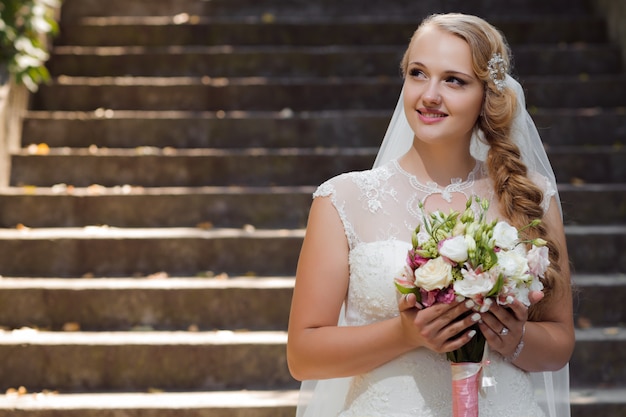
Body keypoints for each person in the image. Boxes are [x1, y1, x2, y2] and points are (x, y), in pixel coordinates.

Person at [286, 12, 575, 417]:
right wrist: (407, 334)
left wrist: (514, 337)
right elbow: (303, 356)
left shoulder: (531, 197)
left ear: (486, 95)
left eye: (454, 80)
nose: (429, 95)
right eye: (418, 73)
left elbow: (560, 342)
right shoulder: (343, 199)